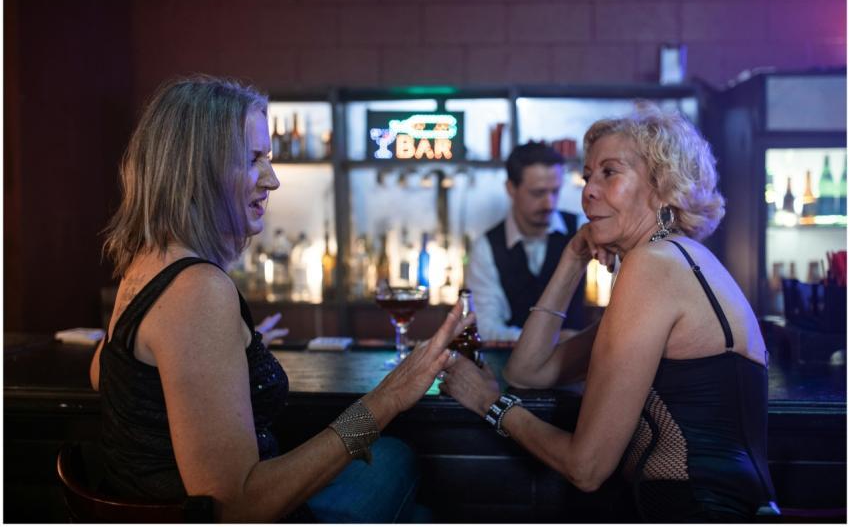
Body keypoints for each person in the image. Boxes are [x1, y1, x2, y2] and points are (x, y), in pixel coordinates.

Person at [89, 75, 472, 522]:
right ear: (195, 169)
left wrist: (223, 353)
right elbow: (238, 506)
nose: (271, 180)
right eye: (254, 160)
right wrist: (389, 397)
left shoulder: (146, 263)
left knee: (406, 489)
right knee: (402, 462)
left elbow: (104, 371)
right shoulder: (197, 289)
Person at [441, 105, 777, 522]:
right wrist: (573, 257)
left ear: (662, 186)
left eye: (609, 173)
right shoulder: (680, 259)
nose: (587, 191)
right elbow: (527, 371)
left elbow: (587, 467)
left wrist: (489, 403)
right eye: (587, 176)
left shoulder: (654, 265)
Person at [467, 142, 585, 342]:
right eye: (538, 193)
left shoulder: (582, 229)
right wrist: (551, 341)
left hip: (574, 368)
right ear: (511, 188)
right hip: (509, 368)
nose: (549, 203)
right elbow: (485, 328)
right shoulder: (486, 248)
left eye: (555, 191)